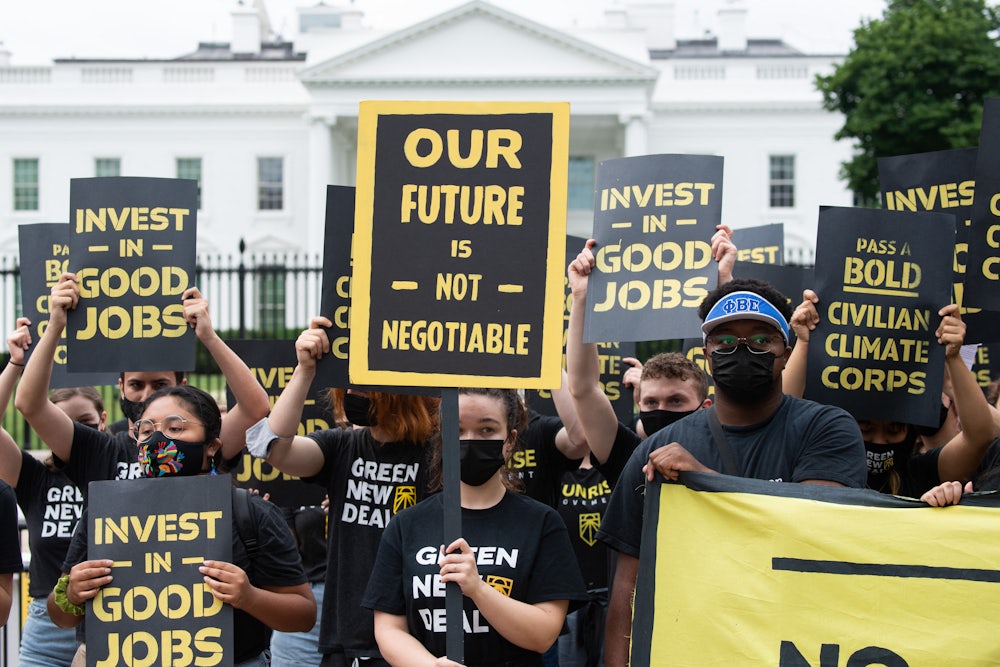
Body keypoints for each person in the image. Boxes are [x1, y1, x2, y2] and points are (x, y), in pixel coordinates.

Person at [597, 278, 867, 666]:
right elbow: (628, 585)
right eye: (724, 341)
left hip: (793, 647)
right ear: (707, 353)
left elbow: (815, 529)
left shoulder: (826, 428)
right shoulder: (654, 451)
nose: (741, 350)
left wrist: (706, 481)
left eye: (760, 340)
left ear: (786, 353)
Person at [47, 385, 316, 666]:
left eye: (175, 428)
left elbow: (303, 614)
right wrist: (72, 593)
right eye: (147, 431)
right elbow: (61, 616)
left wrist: (249, 597)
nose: (159, 439)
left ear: (212, 445)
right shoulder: (106, 513)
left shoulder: (250, 513)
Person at [246, 316, 441, 667]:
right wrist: (305, 370)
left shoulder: (436, 452)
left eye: (366, 385)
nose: (354, 393)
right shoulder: (341, 446)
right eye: (348, 383)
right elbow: (274, 449)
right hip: (345, 638)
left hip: (417, 641)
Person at [362, 387, 587, 666]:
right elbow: (388, 628)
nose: (469, 441)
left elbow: (544, 634)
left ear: (509, 440)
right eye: (457, 430)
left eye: (486, 430)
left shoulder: (541, 523)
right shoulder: (406, 525)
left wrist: (478, 589)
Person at [15, 273, 269, 498]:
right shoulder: (99, 451)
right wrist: (56, 325)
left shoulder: (199, 443)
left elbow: (255, 407)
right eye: (136, 384)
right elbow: (30, 404)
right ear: (121, 387)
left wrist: (208, 337)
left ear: (181, 386)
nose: (147, 395)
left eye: (160, 384)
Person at [784, 290, 994, 497]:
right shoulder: (809, 465)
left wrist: (953, 360)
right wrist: (805, 343)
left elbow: (978, 437)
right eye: (865, 429)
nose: (880, 440)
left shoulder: (919, 474)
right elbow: (782, 419)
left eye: (894, 431)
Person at [0, 317, 101, 667]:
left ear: (103, 421)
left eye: (85, 423)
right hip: (47, 627)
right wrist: (15, 364)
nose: (72, 433)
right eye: (60, 422)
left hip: (109, 622)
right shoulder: (34, 477)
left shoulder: (116, 465)